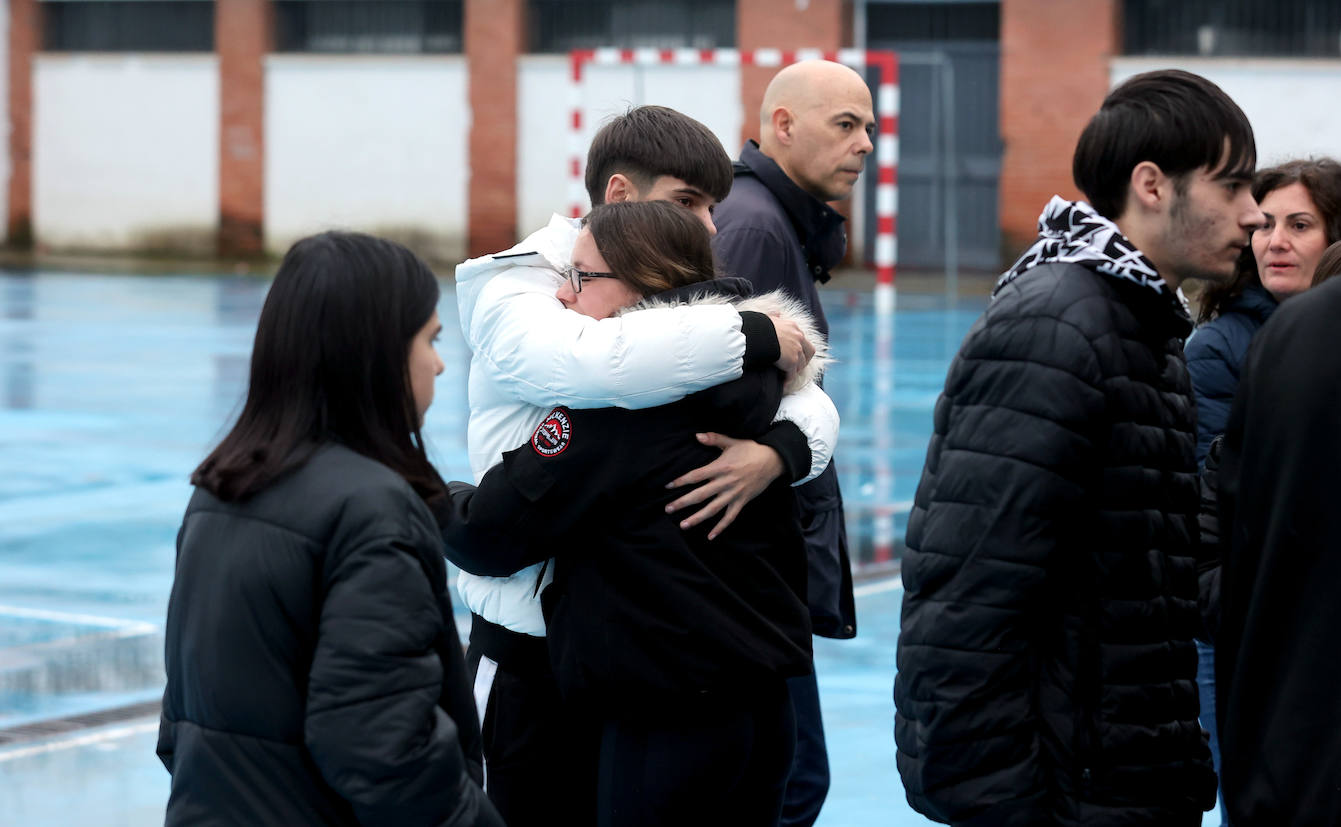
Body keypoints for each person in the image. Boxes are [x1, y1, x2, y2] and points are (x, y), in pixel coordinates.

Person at [896, 68, 1265, 826]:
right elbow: (969, 594)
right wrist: (1006, 804)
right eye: (1233, 187)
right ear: (1152, 185)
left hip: (1122, 775)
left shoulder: (1141, 325)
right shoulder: (1058, 327)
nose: (1254, 214)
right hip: (1069, 793)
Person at [451, 105, 839, 825]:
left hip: (642, 678)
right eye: (689, 204)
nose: (711, 228)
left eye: (711, 207)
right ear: (622, 196)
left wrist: (779, 452)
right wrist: (758, 340)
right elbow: (596, 361)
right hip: (554, 657)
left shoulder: (639, 395)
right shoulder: (525, 294)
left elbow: (492, 530)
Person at [157, 232, 501, 826]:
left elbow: (179, 727)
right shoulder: (371, 510)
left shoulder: (218, 489)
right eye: (430, 340)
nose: (440, 363)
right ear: (374, 356)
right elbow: (385, 749)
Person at [1185, 157, 1341, 824]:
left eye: (1299, 224)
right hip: (1249, 618)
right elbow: (1216, 503)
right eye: (1265, 225)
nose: (1275, 241)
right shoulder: (1222, 348)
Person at [711, 58, 873, 825]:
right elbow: (721, 390)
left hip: (762, 559)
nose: (865, 143)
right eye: (846, 124)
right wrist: (776, 454)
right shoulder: (755, 228)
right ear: (783, 125)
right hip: (748, 567)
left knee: (788, 777)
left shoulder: (781, 224)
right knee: (790, 781)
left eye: (868, 127)